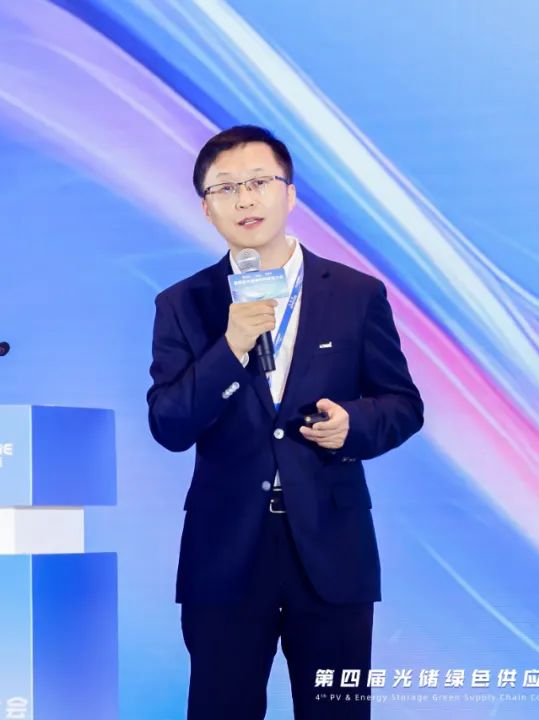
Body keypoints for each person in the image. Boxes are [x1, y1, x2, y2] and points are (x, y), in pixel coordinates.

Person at [146, 125, 424, 719]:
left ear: (290, 194)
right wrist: (230, 347)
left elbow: (403, 404)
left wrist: (353, 425)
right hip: (225, 551)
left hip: (330, 545)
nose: (244, 199)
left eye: (258, 182)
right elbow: (169, 425)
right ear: (206, 208)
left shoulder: (355, 294)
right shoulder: (183, 303)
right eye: (225, 188)